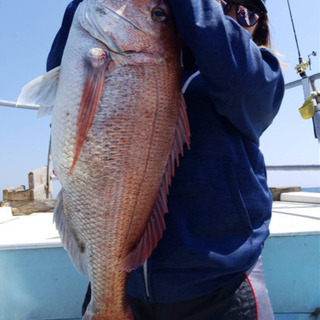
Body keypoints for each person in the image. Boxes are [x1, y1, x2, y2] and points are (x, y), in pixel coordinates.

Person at [47, 0, 285, 319]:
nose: (234, 14)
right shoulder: (150, 53)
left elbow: (227, 56)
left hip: (223, 291)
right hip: (120, 285)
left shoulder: (260, 74)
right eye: (223, 3)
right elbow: (64, 71)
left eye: (248, 11)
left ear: (260, 27)